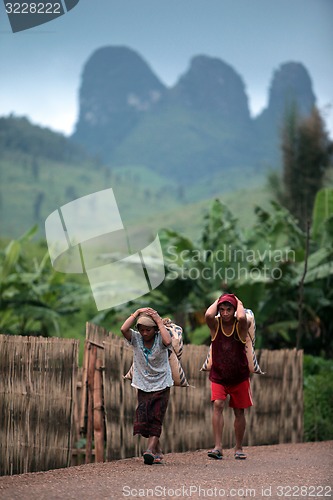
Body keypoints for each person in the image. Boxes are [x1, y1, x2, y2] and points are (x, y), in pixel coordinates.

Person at [120, 307, 173, 465]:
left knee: (156, 417)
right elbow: (123, 329)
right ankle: (157, 449)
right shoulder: (135, 339)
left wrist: (158, 320)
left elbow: (168, 341)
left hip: (162, 383)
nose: (144, 333)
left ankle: (149, 451)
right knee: (144, 418)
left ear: (155, 330)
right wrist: (136, 313)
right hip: (143, 384)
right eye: (142, 329)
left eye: (148, 330)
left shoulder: (161, 339)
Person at [205, 293, 253, 460]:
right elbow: (208, 314)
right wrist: (218, 300)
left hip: (239, 376)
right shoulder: (215, 325)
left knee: (239, 411)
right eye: (222, 309)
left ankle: (238, 447)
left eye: (229, 309)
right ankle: (218, 447)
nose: (225, 313)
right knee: (218, 404)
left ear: (234, 310)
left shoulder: (241, 326)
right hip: (219, 375)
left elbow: (242, 316)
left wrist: (238, 302)